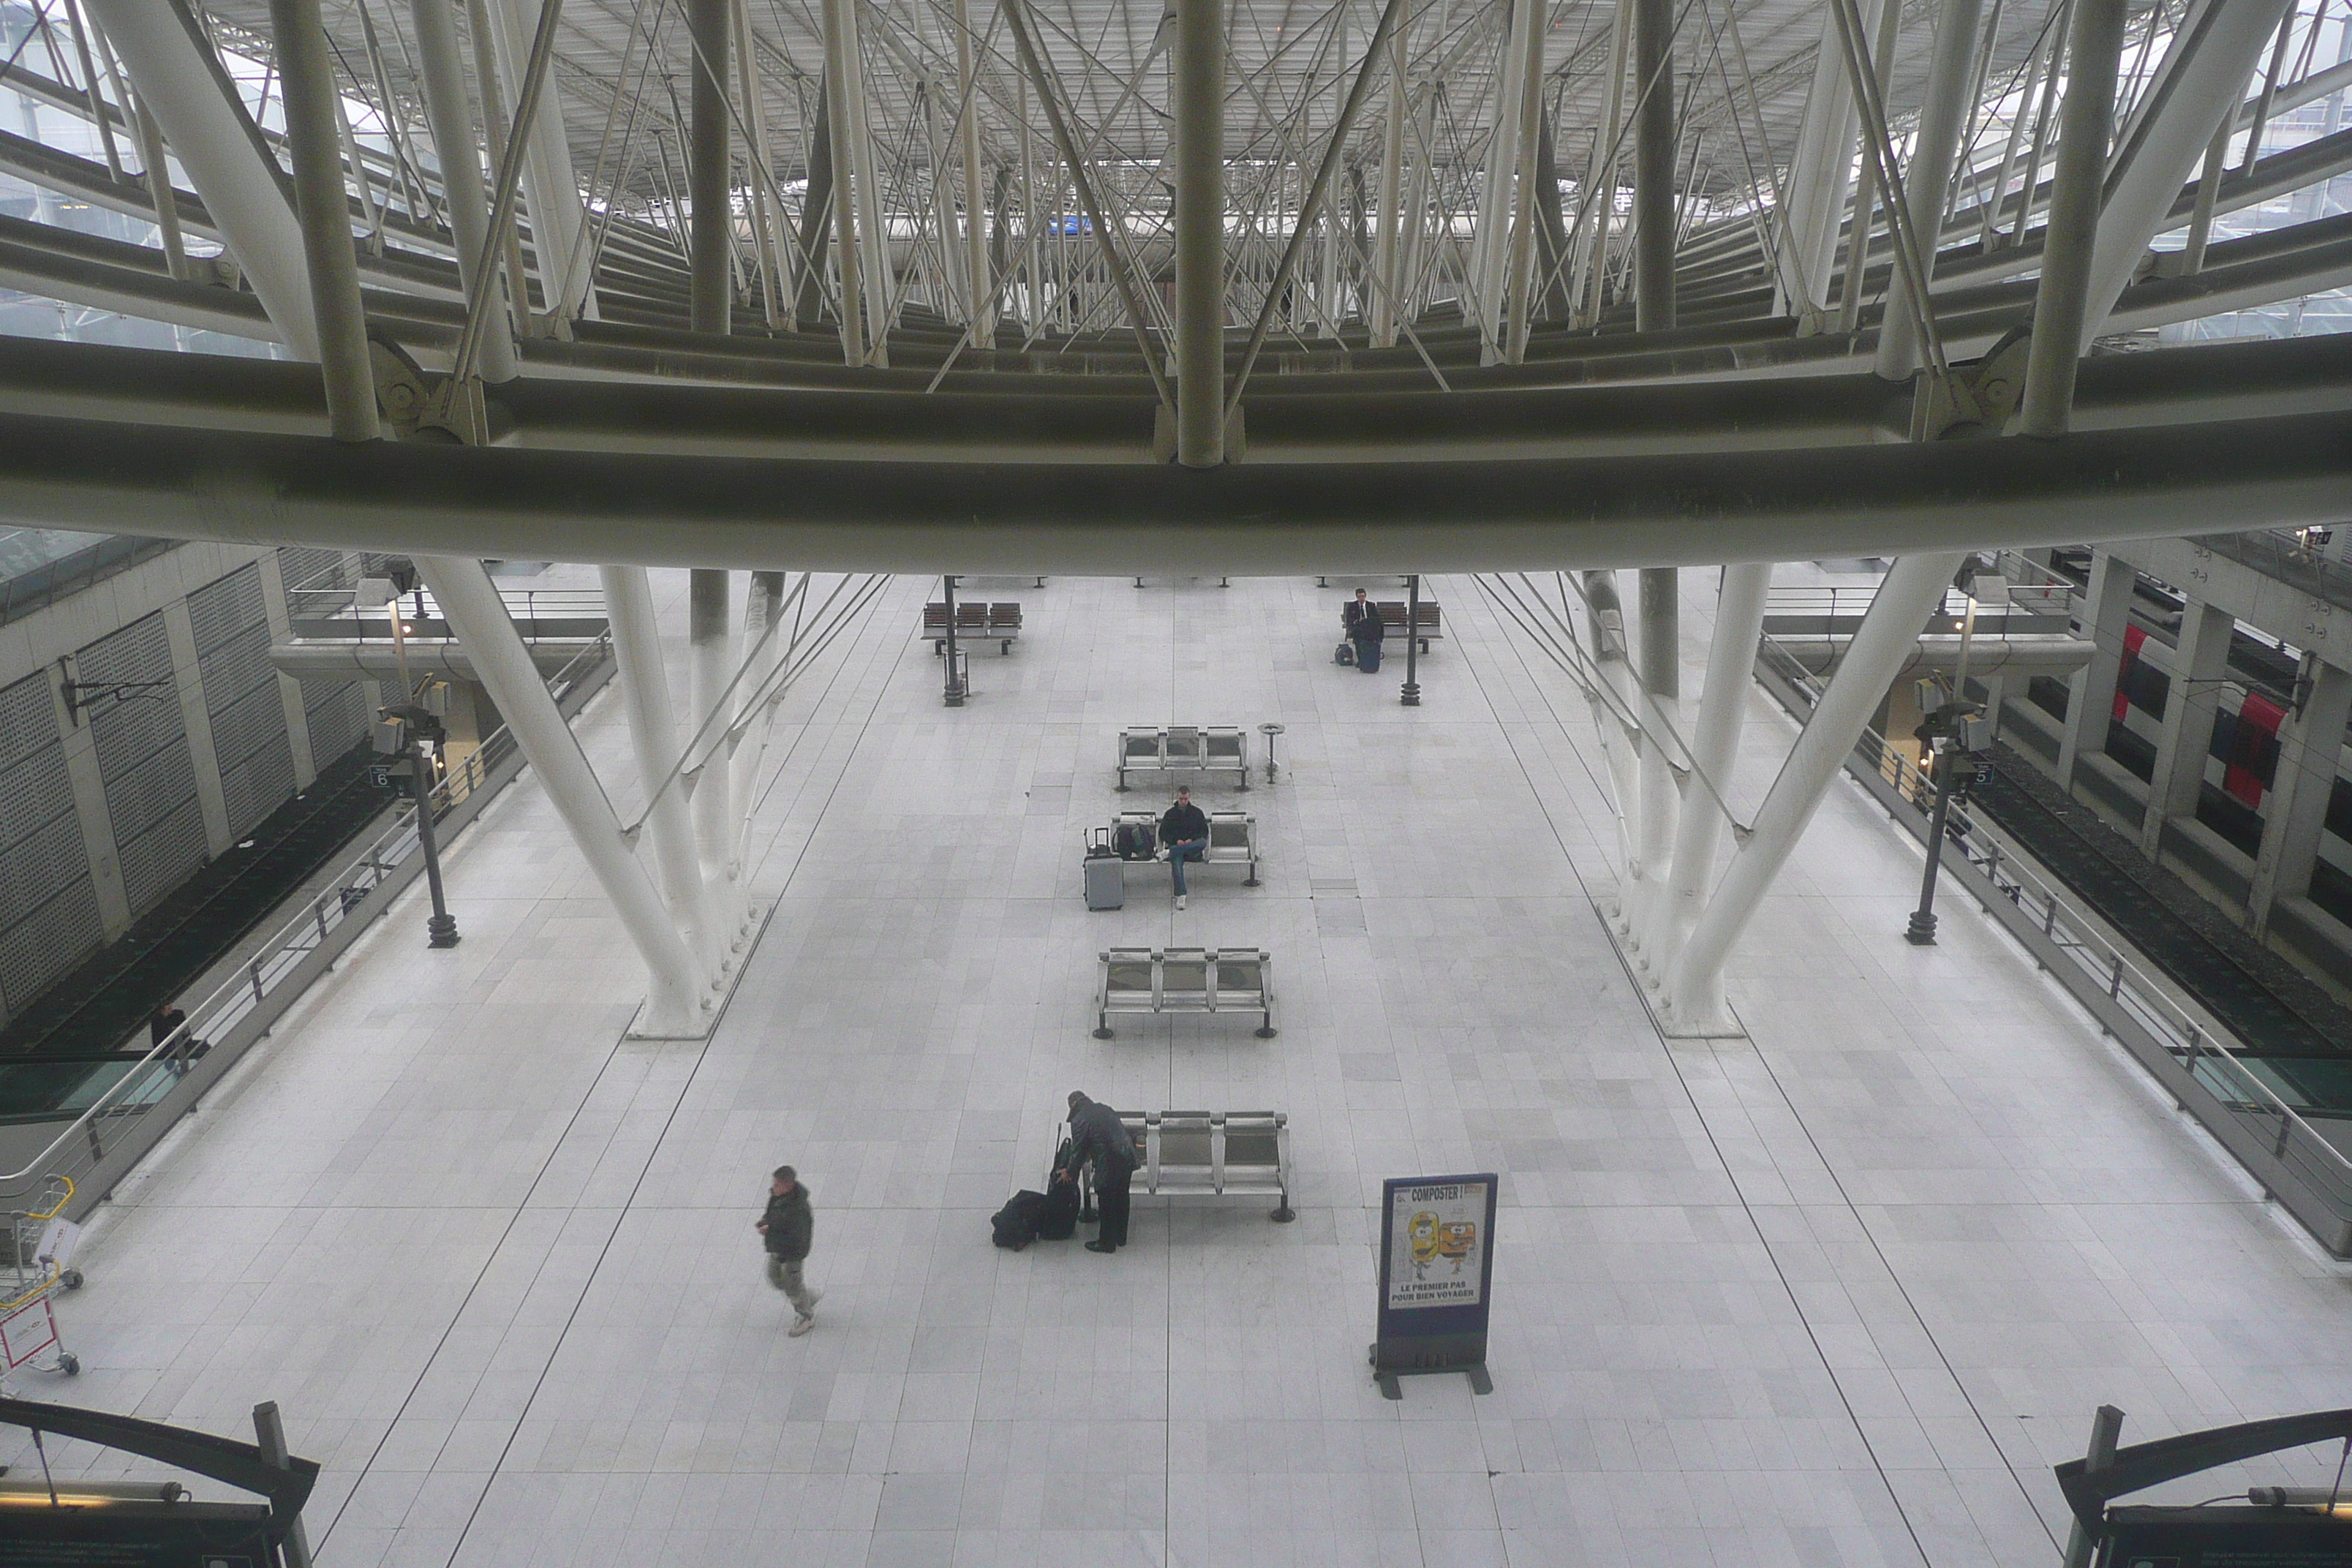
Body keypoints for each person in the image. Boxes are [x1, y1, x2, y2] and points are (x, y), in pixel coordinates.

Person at [1059, 1092, 1137, 1254]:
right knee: (1122, 1195)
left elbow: (1078, 1151)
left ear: (1073, 1105)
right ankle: (1121, 1237)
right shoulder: (1105, 1108)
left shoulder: (1079, 1120)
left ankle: (1107, 1243)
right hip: (1127, 1156)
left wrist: (1070, 1172)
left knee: (1106, 1199)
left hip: (1108, 1162)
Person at [756, 1165, 822, 1335]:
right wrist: (766, 1221)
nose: (773, 1188)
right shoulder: (778, 1197)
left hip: (791, 1254)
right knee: (774, 1278)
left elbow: (796, 1236)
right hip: (777, 1248)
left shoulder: (798, 1210)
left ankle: (805, 1316)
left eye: (777, 1185)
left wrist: (770, 1231)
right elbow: (773, 1214)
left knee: (792, 1286)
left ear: (789, 1186)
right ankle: (805, 1298)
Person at [1160, 786, 1208, 911]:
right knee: (1176, 861)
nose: (1183, 801)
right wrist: (1176, 841)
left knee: (1202, 843)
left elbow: (1204, 832)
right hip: (1179, 846)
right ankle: (1181, 894)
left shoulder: (1197, 813)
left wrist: (1191, 840)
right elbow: (1163, 833)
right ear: (1178, 797)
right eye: (1181, 799)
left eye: (1185, 799)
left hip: (1191, 849)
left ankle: (1170, 852)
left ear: (1189, 797)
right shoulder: (1170, 814)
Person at [1343, 589, 1385, 674]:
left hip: (1369, 627)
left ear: (1365, 596)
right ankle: (1361, 660)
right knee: (1359, 640)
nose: (1361, 599)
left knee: (1371, 639)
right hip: (1358, 628)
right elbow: (1349, 619)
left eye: (1362, 596)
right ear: (1357, 597)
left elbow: (1376, 618)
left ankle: (1369, 659)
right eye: (1359, 597)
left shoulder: (1371, 605)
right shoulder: (1352, 606)